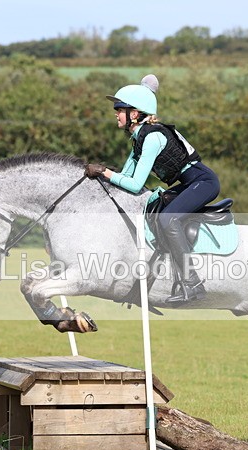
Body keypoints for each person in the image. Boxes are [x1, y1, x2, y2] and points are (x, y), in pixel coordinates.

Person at [85, 75, 220, 305]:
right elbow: (125, 176)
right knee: (155, 210)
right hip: (190, 183)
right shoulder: (139, 138)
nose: (116, 114)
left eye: (120, 110)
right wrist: (103, 177)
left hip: (203, 182)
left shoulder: (153, 137)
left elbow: (135, 184)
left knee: (168, 219)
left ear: (134, 114)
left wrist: (104, 172)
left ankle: (192, 284)